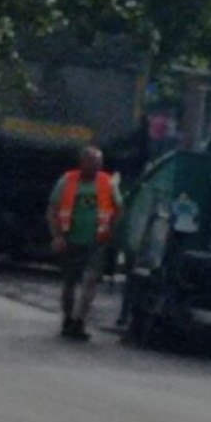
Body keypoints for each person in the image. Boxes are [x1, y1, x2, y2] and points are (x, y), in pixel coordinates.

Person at [48, 146, 123, 340]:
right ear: (82, 162)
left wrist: (111, 232)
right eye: (93, 161)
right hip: (71, 240)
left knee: (90, 281)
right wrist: (57, 235)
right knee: (69, 283)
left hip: (96, 243)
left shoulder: (108, 183)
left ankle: (80, 321)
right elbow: (53, 209)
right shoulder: (67, 181)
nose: (97, 165)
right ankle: (67, 319)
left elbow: (119, 208)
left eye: (99, 161)